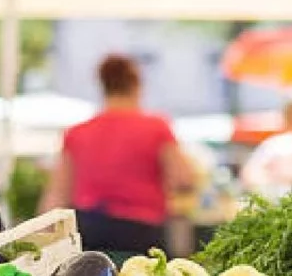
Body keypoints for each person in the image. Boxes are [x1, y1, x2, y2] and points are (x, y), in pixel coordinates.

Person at [43, 55, 194, 254]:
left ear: (103, 86)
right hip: (141, 231)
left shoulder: (77, 132)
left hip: (89, 230)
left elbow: (58, 193)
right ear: (136, 85)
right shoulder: (157, 127)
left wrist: (44, 237)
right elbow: (183, 179)